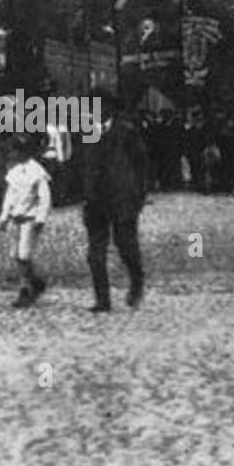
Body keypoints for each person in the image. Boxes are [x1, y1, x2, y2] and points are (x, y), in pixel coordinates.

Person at [79, 88, 147, 313]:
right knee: (95, 255)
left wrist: (138, 197)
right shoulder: (89, 131)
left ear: (109, 108)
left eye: (96, 106)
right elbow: (86, 165)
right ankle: (102, 300)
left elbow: (142, 166)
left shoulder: (126, 131)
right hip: (96, 202)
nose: (92, 111)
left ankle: (137, 281)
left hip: (122, 200)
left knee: (126, 247)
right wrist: (85, 194)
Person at [0, 134, 52, 307]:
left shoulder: (37, 172)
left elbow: (44, 198)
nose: (13, 154)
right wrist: (4, 217)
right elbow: (10, 196)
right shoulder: (14, 172)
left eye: (16, 151)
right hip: (16, 217)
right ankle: (34, 282)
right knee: (15, 254)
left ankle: (25, 289)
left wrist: (41, 218)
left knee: (24, 254)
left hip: (30, 218)